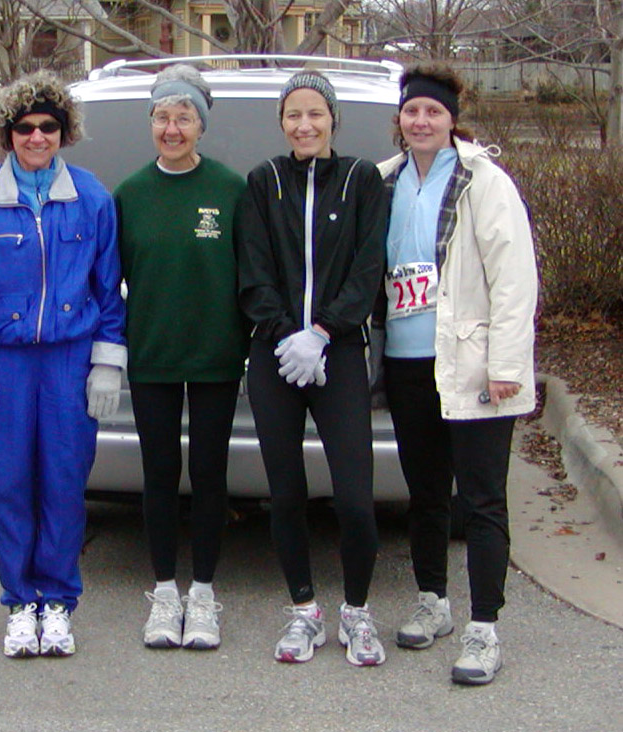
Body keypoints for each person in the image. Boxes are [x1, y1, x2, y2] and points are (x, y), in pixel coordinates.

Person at [0, 71, 126, 659]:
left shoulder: (92, 197)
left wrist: (106, 365)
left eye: (48, 126)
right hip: (7, 365)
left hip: (70, 363)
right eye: (25, 127)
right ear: (7, 133)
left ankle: (58, 603)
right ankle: (21, 602)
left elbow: (111, 287)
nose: (37, 137)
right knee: (10, 487)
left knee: (64, 485)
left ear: (64, 132)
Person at [377, 62, 537, 685]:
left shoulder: (484, 183)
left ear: (452, 119)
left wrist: (506, 368)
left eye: (433, 112)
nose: (421, 121)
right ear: (400, 119)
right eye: (412, 111)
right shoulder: (385, 181)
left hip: (472, 365)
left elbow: (514, 281)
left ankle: (484, 628)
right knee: (424, 493)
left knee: (481, 499)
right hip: (407, 361)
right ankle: (433, 601)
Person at [236, 72, 388, 666]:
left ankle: (356, 611)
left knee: (354, 496)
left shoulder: (361, 179)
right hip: (275, 354)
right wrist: (286, 336)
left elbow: (368, 265)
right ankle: (304, 611)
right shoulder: (262, 181)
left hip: (340, 353)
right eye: (294, 114)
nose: (305, 125)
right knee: (286, 493)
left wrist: (323, 333)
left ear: (333, 119)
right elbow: (253, 269)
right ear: (281, 122)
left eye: (315, 113)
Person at [114, 65, 249, 650]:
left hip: (217, 357)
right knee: (160, 474)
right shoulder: (130, 195)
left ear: (201, 123)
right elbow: (105, 281)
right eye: (163, 117)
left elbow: (252, 275)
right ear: (151, 123)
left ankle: (204, 594)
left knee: (211, 475)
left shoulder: (229, 189)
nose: (173, 128)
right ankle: (165, 592)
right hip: (153, 357)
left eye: (184, 116)